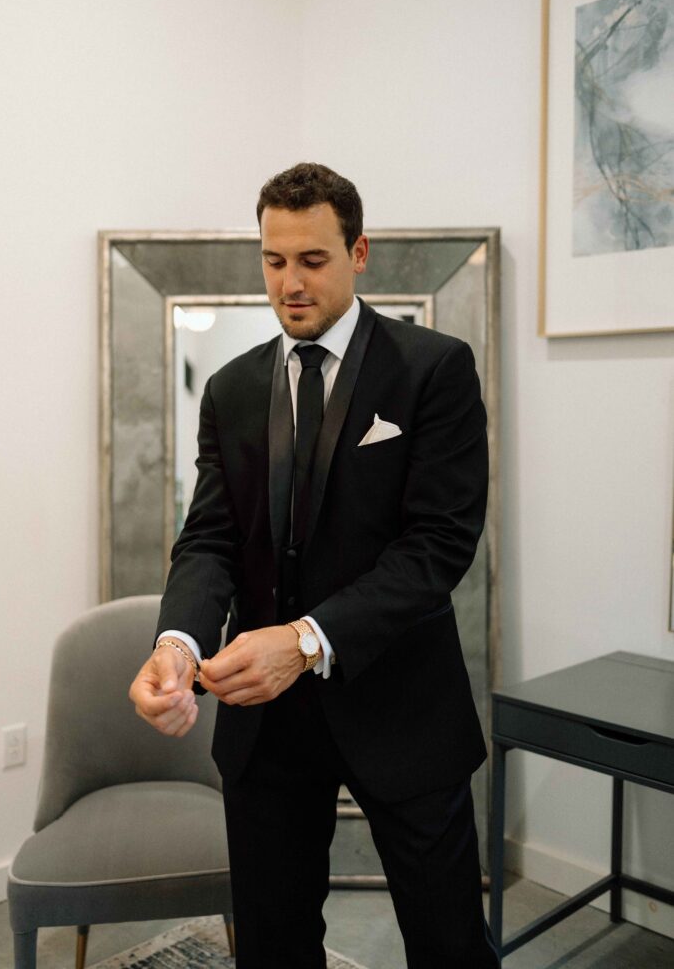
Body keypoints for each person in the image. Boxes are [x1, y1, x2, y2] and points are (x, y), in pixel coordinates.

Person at [129, 162, 500, 968]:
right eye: (273, 260)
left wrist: (301, 641)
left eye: (312, 260)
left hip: (402, 710)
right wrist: (176, 646)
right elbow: (211, 539)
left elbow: (436, 547)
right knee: (273, 943)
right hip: (266, 732)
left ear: (357, 251)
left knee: (447, 945)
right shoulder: (230, 389)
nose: (289, 283)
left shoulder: (433, 368)